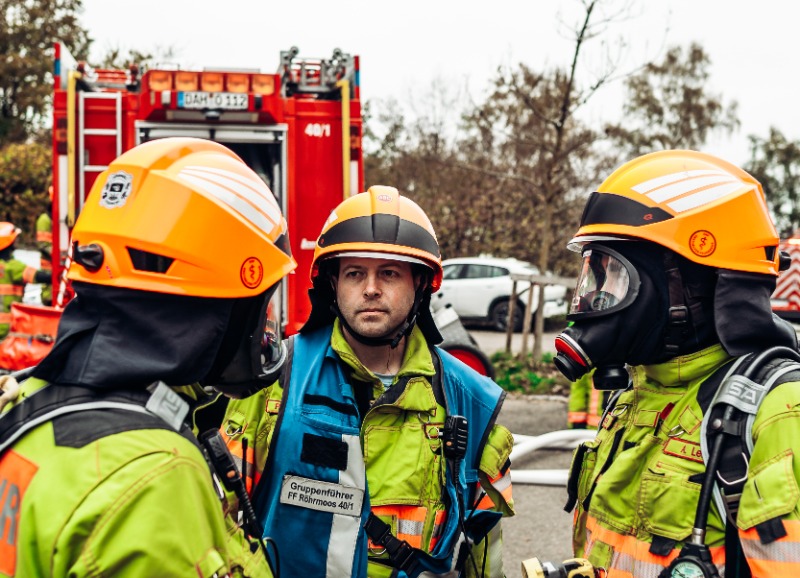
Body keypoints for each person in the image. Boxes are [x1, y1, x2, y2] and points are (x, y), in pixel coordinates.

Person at [0, 137, 296, 577]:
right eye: (259, 304)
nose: (264, 327)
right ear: (219, 304)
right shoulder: (156, 476)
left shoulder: (29, 400)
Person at [221, 186, 515, 578]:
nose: (371, 288)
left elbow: (484, 552)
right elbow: (217, 514)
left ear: (421, 284)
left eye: (389, 273)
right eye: (355, 273)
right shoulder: (276, 379)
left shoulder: (470, 401)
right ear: (333, 284)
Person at [550, 150, 800, 577]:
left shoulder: (778, 412)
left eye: (616, 274)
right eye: (596, 273)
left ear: (695, 283)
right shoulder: (637, 394)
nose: (598, 297)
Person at [0, 221, 51, 339]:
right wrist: (59, 275)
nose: (17, 242)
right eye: (15, 239)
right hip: (5, 330)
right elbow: (38, 276)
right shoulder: (12, 266)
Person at [34, 186, 54, 306]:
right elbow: (42, 244)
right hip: (48, 263)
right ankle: (47, 301)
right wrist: (57, 254)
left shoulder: (54, 219)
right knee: (48, 285)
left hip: (54, 262)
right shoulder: (44, 219)